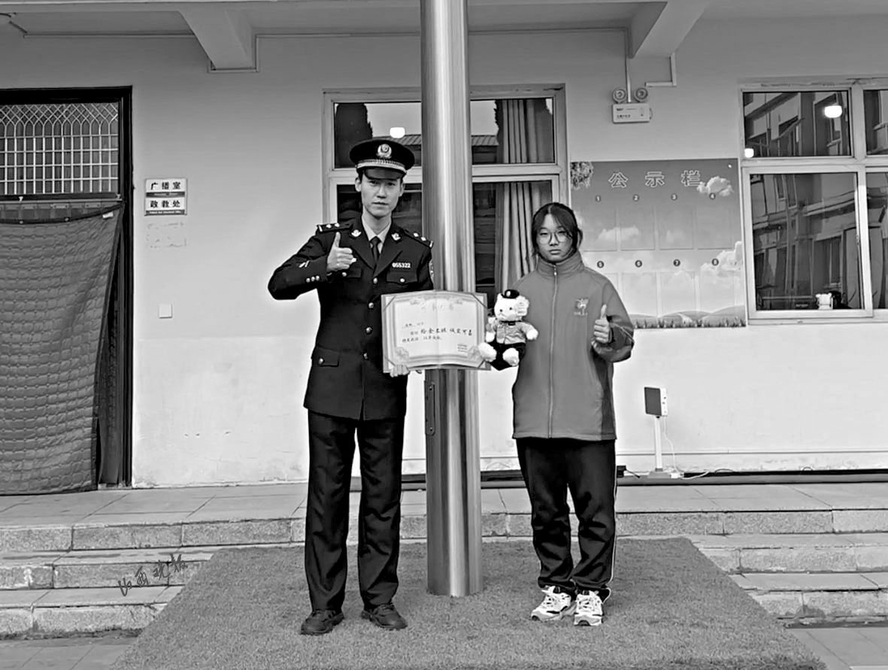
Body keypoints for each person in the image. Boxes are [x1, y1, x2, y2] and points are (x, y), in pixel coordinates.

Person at [267, 138, 433, 635]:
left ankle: (379, 599)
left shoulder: (415, 250)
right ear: (357, 184)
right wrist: (325, 267)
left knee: (383, 498)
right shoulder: (331, 239)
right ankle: (325, 604)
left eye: (391, 184)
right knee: (327, 497)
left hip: (385, 387)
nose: (382, 192)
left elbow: (425, 316)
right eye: (374, 182)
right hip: (331, 388)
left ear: (402, 190)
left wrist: (428, 350)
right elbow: (278, 283)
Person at [510, 201, 634, 627]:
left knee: (595, 513)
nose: (553, 242)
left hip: (588, 422)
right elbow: (506, 347)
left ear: (574, 237)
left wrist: (609, 335)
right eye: (544, 234)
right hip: (533, 420)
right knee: (546, 512)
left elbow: (625, 340)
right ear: (534, 240)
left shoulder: (598, 287)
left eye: (561, 233)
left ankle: (591, 590)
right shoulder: (520, 290)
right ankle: (557, 586)